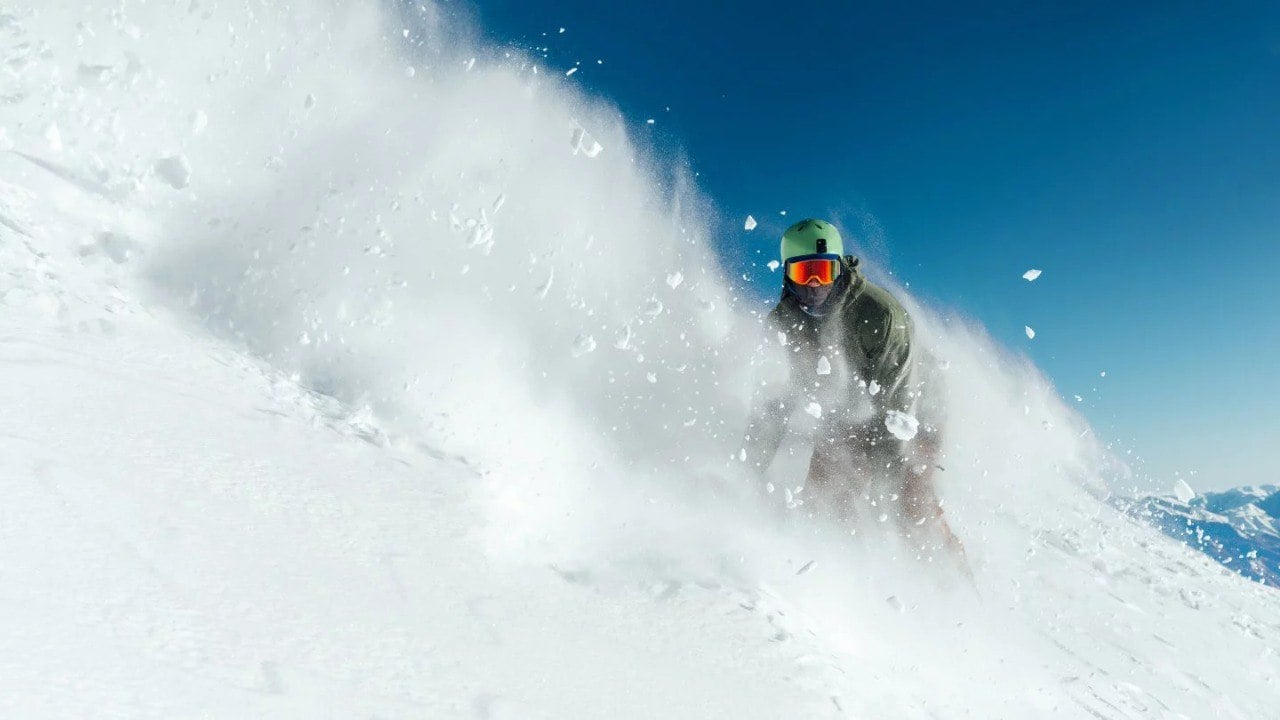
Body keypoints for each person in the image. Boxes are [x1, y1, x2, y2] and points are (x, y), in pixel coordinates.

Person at [742, 218, 968, 572]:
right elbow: (775, 400)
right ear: (787, 275)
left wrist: (886, 478)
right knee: (825, 487)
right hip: (852, 410)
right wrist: (753, 466)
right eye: (805, 274)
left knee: (910, 502)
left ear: (840, 269)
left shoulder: (879, 316)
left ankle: (954, 587)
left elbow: (900, 407)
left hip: (915, 407)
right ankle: (848, 581)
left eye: (824, 271)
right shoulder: (784, 323)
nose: (816, 284)